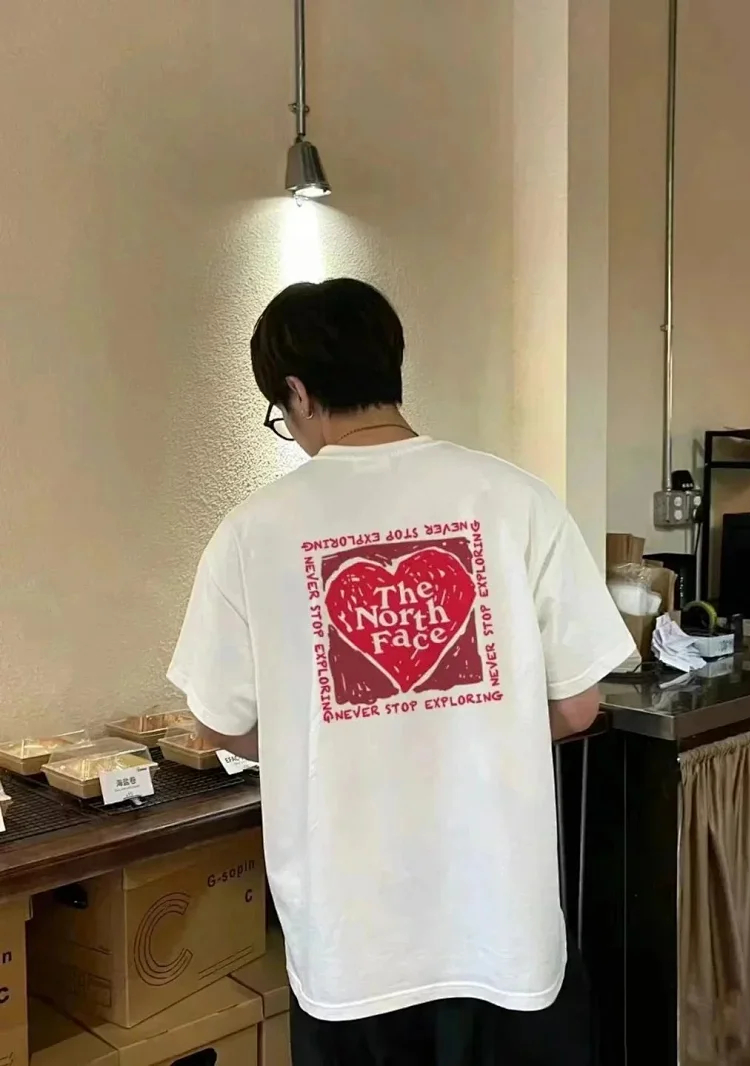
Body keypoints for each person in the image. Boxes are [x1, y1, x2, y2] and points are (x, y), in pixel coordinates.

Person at [168, 277, 635, 1065]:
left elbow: (220, 723)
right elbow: (578, 707)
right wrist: (474, 727)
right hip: (501, 932)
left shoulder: (253, 531)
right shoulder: (515, 499)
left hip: (353, 947)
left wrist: (326, 738)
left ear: (296, 391)